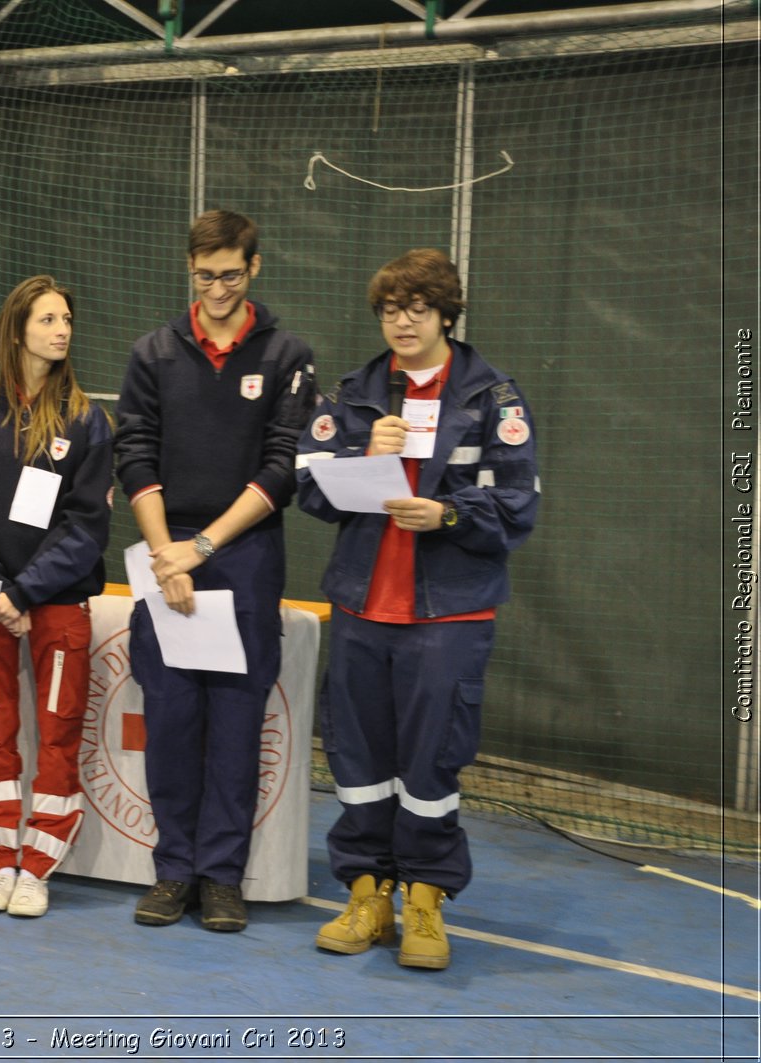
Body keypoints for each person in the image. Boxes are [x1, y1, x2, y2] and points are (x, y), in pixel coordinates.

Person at [297, 249, 538, 969]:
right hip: (364, 607)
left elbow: (517, 508)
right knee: (359, 761)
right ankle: (367, 895)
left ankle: (425, 903)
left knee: (431, 764)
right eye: (391, 309)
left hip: (449, 616)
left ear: (445, 313)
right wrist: (361, 450)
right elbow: (310, 489)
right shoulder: (358, 391)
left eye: (418, 309)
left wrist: (448, 516)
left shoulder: (494, 398)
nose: (403, 322)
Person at [114, 209, 317, 931]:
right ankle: (173, 872)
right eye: (205, 275)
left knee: (235, 723)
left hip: (247, 555)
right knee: (170, 718)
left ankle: (221, 877)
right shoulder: (154, 353)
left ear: (254, 267)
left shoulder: (288, 354)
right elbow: (135, 452)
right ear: (189, 269)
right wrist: (169, 553)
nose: (219, 287)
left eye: (231, 273)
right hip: (168, 551)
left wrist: (205, 550)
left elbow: (284, 465)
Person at [0, 275, 113, 918]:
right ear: (18, 331)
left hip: (58, 607)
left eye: (66, 318)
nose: (61, 329)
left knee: (59, 735)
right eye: (47, 319)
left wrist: (27, 592)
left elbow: (86, 527)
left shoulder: (88, 421)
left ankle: (36, 871)